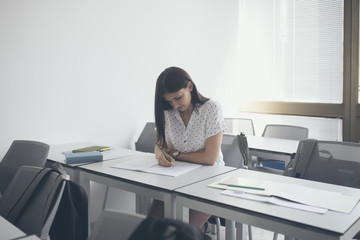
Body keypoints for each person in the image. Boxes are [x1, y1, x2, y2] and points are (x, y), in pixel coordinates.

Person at [147, 66, 226, 233]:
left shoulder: (212, 109)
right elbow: (160, 146)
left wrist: (176, 154)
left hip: (209, 182)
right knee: (151, 228)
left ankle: (200, 232)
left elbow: (210, 159)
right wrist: (160, 153)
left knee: (180, 233)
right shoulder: (168, 112)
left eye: (178, 98)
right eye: (169, 101)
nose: (175, 105)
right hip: (176, 179)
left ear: (190, 86)